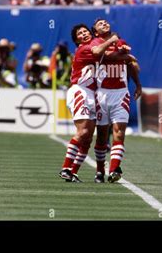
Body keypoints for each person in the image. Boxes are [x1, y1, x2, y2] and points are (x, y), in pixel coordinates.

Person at [59, 24, 128, 182]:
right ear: (77, 40)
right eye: (80, 34)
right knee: (83, 132)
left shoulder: (96, 44)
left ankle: (73, 172)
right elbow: (101, 53)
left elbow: (111, 56)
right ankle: (66, 167)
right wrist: (113, 41)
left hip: (93, 94)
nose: (83, 34)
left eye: (85, 31)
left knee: (88, 137)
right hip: (80, 91)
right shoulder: (84, 48)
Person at [90, 18, 142, 183]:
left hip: (120, 94)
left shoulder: (120, 41)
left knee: (119, 133)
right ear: (96, 32)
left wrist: (138, 84)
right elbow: (106, 56)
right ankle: (99, 171)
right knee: (102, 136)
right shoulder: (95, 43)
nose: (104, 24)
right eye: (100, 24)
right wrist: (124, 56)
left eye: (106, 22)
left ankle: (113, 170)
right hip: (101, 94)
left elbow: (132, 63)